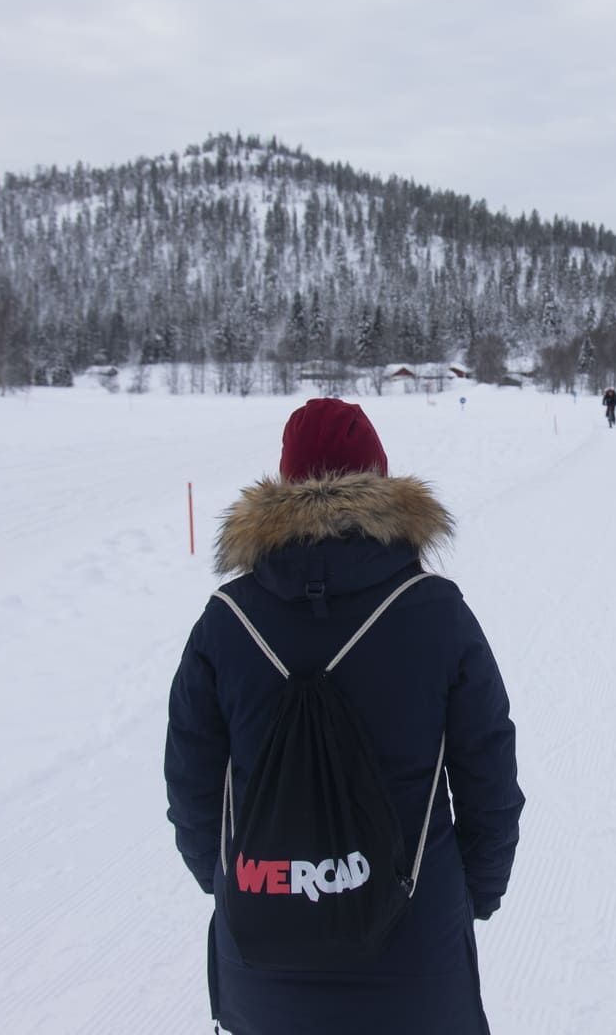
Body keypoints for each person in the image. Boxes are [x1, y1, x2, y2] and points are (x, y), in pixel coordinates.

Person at [165, 398, 524, 1035]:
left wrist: (234, 885)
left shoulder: (225, 619)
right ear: (380, 481)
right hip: (416, 964)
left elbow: (193, 792)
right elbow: (489, 783)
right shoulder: (436, 612)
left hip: (261, 969)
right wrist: (472, 896)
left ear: (283, 484)